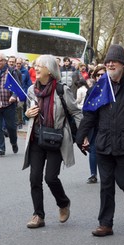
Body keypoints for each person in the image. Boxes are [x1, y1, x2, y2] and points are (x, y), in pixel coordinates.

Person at [76, 44, 124, 236]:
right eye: (107, 61)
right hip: (103, 143)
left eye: (114, 61)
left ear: (123, 64)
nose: (110, 64)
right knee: (106, 184)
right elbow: (90, 114)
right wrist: (81, 135)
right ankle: (105, 223)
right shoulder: (101, 85)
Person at [22, 54, 82, 228]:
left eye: (40, 65)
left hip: (56, 139)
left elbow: (76, 113)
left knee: (50, 178)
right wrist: (27, 114)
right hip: (37, 138)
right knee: (34, 178)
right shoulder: (31, 90)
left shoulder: (62, 90)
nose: (36, 68)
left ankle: (63, 203)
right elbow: (29, 111)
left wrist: (84, 135)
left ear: (50, 69)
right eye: (35, 65)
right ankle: (38, 215)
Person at [84, 65, 106, 184]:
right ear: (95, 77)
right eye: (98, 75)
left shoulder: (113, 89)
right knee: (93, 149)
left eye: (103, 74)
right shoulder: (91, 91)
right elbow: (85, 110)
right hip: (94, 124)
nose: (101, 77)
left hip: (108, 124)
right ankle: (93, 174)